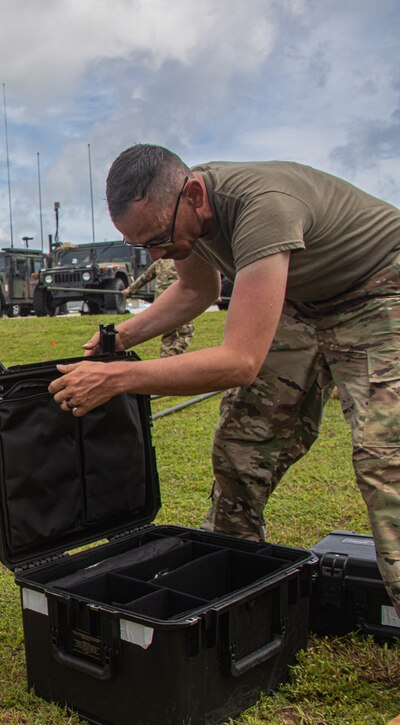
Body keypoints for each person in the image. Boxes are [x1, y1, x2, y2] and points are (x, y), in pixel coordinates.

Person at [47, 143, 400, 614]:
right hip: (302, 301)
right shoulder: (185, 217)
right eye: (142, 245)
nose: (157, 252)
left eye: (159, 237)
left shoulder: (263, 207)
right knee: (240, 449)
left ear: (193, 194)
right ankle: (238, 597)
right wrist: (124, 336)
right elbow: (197, 288)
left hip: (379, 289)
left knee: (386, 464)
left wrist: (119, 380)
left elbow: (240, 361)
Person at [122, 257, 194, 357]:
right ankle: (174, 352)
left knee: (168, 335)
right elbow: (197, 278)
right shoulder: (183, 261)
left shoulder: (159, 262)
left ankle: (165, 360)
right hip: (178, 301)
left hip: (161, 304)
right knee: (186, 332)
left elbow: (145, 277)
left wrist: (130, 289)